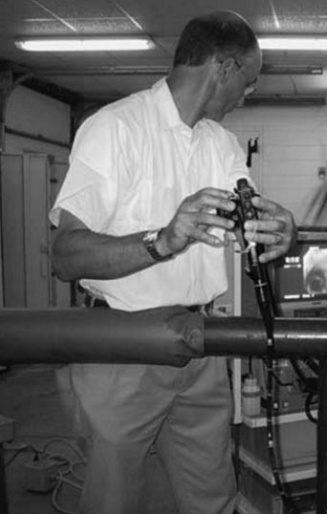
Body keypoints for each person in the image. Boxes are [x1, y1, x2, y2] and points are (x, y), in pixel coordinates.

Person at [49, 11, 296, 514]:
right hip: (122, 347)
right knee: (112, 501)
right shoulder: (113, 129)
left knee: (212, 497)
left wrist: (282, 232)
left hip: (201, 343)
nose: (247, 95)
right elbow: (65, 255)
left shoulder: (222, 144)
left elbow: (246, 221)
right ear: (223, 68)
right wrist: (160, 241)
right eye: (248, 82)